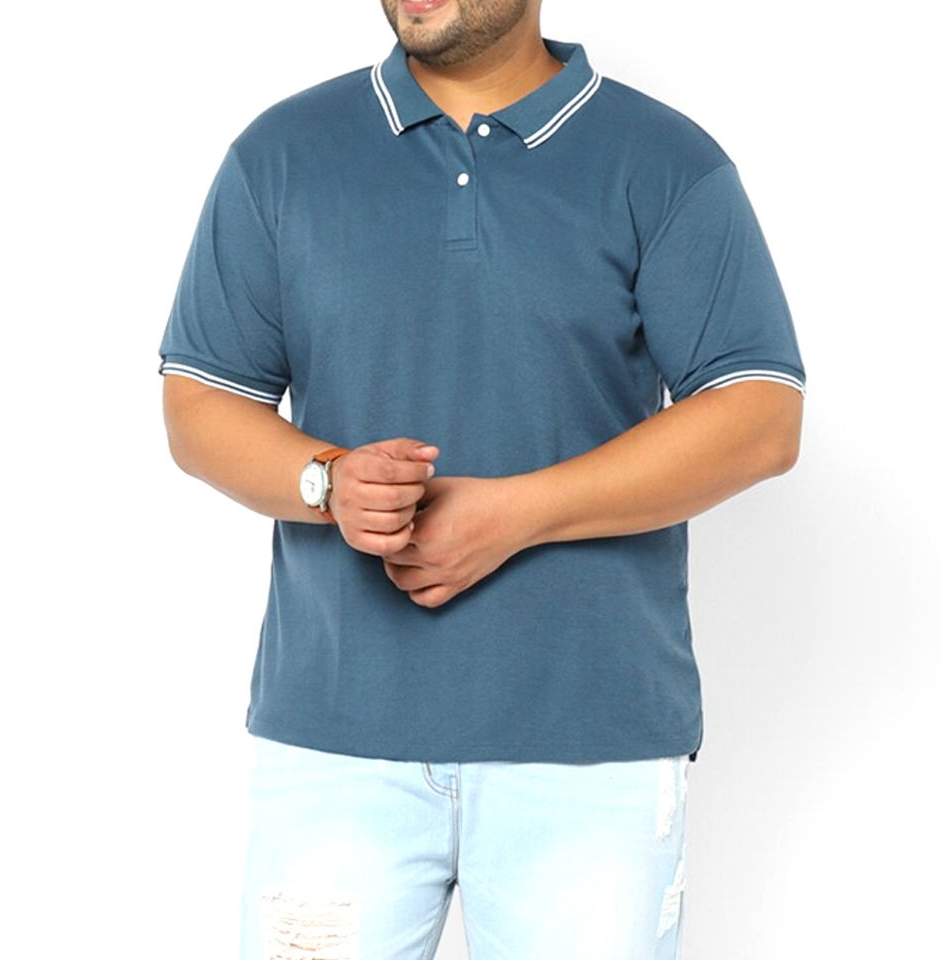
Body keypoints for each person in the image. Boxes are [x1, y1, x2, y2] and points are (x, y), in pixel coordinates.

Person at [157, 1, 806, 957]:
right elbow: (199, 401)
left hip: (590, 748)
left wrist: (515, 515)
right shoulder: (282, 155)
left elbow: (760, 417)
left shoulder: (664, 161)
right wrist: (326, 481)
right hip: (334, 742)